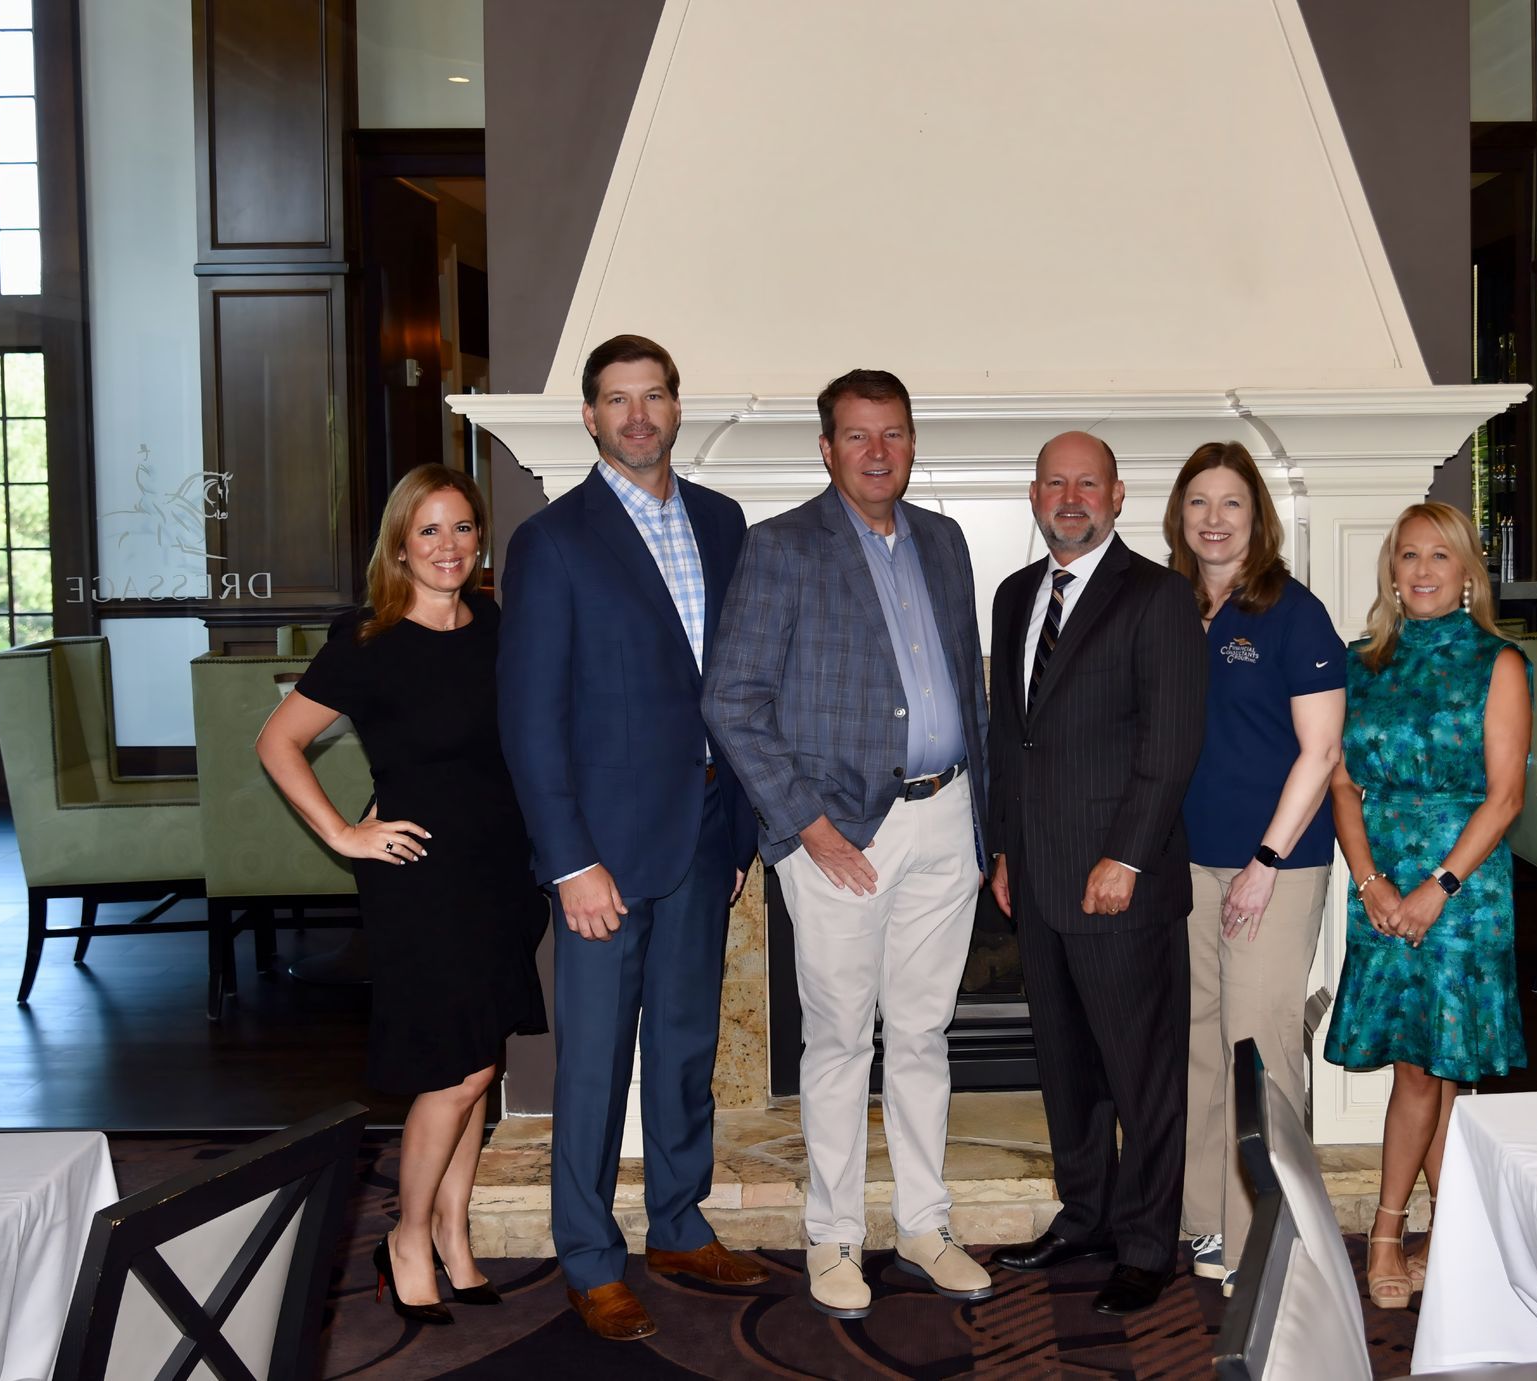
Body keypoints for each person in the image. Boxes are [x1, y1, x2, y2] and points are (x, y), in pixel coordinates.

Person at [703, 369, 992, 1320]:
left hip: (946, 817)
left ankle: (924, 1223)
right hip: (839, 832)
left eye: (894, 434)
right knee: (837, 1039)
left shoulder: (945, 544)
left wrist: (986, 821)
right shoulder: (781, 547)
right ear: (826, 449)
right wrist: (810, 828)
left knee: (922, 1032)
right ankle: (832, 1234)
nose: (878, 452)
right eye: (858, 436)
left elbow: (969, 694)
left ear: (912, 444)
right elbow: (732, 702)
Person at [499, 334, 768, 1343]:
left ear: (675, 405)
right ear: (590, 416)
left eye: (653, 396)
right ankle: (587, 1255)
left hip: (705, 833)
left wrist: (739, 825)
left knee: (689, 1046)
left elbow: (738, 687)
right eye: (618, 400)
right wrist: (569, 861)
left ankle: (678, 1223)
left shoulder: (723, 522)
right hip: (601, 856)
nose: (639, 415)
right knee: (598, 1060)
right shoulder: (554, 541)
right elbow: (530, 719)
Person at [255, 463, 548, 1326]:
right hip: (420, 880)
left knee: (482, 1065)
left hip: (499, 872)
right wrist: (345, 833)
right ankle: (406, 1235)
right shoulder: (368, 639)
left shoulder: (495, 623)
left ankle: (454, 1235)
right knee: (450, 1072)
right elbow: (278, 742)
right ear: (400, 543)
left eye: (462, 528)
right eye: (429, 530)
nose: (448, 546)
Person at [985, 431, 1208, 1316]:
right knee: (1067, 1064)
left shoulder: (1157, 596)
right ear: (1033, 495)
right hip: (1036, 881)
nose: (1069, 497)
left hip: (1122, 880)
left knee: (1142, 1071)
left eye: (1088, 483)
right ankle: (1085, 1216)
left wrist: (1126, 854)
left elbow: (1172, 742)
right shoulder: (1011, 597)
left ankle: (1148, 1245)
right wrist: (1003, 847)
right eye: (1054, 483)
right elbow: (1010, 735)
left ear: (1118, 496)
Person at [1323, 501, 1531, 1311]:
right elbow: (1343, 781)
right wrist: (1372, 881)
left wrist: (1435, 888)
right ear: (1391, 570)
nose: (1421, 571)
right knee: (1427, 1062)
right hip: (1379, 882)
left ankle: (1387, 1228)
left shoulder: (1498, 663)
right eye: (1408, 556)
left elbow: (1506, 795)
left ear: (1469, 571)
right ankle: (1452, 1228)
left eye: (1439, 556)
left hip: (1462, 886)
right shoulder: (1356, 661)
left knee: (1430, 1064)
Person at [1166, 442, 1345, 1300]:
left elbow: (1320, 752)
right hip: (1187, 865)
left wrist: (1266, 862)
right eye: (1198, 501)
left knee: (1261, 1046)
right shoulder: (1172, 607)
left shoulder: (1292, 613)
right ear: (1179, 515)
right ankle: (1207, 1214)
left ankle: (1266, 1238)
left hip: (1270, 867)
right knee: (1201, 1043)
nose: (1213, 517)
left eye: (1230, 502)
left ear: (1257, 517)